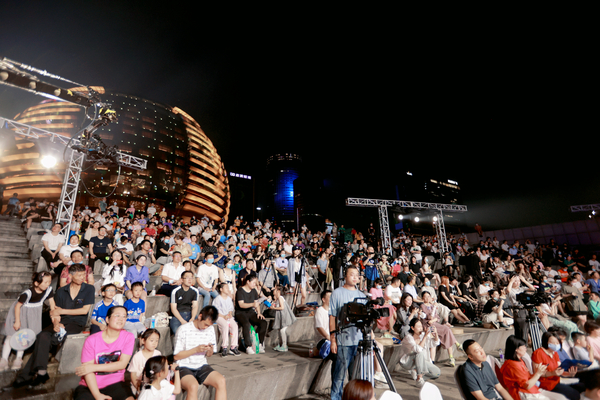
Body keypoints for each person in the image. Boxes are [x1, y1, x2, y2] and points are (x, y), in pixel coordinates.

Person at [9, 264, 95, 389]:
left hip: (76, 323)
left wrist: (62, 311)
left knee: (51, 339)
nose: (83, 277)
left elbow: (84, 310)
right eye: (79, 275)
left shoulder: (89, 289)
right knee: (42, 335)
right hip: (61, 321)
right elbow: (54, 312)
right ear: (71, 276)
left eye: (84, 275)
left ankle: (26, 376)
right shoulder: (61, 291)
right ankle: (41, 372)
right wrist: (56, 323)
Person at [72, 306, 135, 400]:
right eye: (117, 315)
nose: (121, 319)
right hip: (90, 386)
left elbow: (122, 364)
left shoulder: (128, 337)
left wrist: (93, 367)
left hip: (116, 383)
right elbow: (87, 371)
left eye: (124, 316)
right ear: (107, 319)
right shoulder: (91, 340)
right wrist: (97, 395)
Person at [0, 272, 53, 371]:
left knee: (25, 336)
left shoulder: (48, 290)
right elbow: (17, 307)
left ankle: (18, 358)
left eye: (49, 282)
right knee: (11, 335)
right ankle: (4, 359)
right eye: (45, 282)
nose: (48, 284)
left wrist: (55, 315)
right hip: (19, 314)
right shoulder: (27, 293)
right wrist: (17, 321)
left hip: (32, 316)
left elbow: (52, 304)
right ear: (36, 283)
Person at [173, 306, 227, 400]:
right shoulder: (183, 329)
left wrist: (209, 350)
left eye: (208, 326)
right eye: (205, 324)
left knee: (221, 381)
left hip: (201, 365)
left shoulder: (210, 329)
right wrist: (195, 350)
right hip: (183, 366)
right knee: (193, 385)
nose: (206, 327)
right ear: (200, 316)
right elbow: (176, 356)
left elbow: (209, 355)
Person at [499, 335, 564, 400]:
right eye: (523, 346)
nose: (526, 348)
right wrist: (538, 374)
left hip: (533, 389)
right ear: (516, 349)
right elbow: (527, 385)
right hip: (523, 393)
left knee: (561, 397)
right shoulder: (512, 365)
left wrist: (539, 372)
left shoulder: (519, 360)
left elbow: (528, 377)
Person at [532, 331, 584, 400]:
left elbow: (559, 371)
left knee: (582, 386)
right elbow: (538, 373)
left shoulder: (555, 353)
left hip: (557, 381)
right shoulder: (538, 353)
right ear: (546, 342)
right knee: (574, 394)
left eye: (557, 342)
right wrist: (552, 373)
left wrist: (569, 374)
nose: (556, 344)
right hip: (546, 384)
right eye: (553, 342)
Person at [398, 318, 441, 387]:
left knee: (437, 372)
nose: (420, 328)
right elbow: (418, 349)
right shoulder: (408, 337)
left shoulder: (422, 335)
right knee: (419, 352)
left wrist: (436, 334)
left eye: (421, 326)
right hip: (407, 362)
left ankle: (417, 372)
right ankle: (419, 379)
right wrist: (425, 336)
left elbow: (435, 343)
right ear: (412, 328)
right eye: (418, 326)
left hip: (420, 360)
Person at [235, 275, 268, 354]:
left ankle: (260, 343)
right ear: (248, 282)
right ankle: (248, 346)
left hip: (250, 312)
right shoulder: (240, 291)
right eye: (253, 283)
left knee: (263, 322)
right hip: (240, 312)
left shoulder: (254, 291)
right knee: (246, 324)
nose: (255, 284)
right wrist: (253, 304)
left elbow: (257, 303)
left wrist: (259, 313)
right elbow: (241, 305)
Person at [128, 329, 162, 395]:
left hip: (154, 385)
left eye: (157, 341)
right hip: (139, 386)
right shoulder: (137, 356)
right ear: (143, 341)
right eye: (151, 340)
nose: (154, 343)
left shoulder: (158, 354)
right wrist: (139, 389)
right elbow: (133, 375)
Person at [213, 283, 240, 357]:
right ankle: (224, 347)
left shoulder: (229, 298)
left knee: (234, 326)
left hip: (228, 316)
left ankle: (233, 346)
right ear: (221, 289)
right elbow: (216, 311)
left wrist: (229, 314)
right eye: (226, 288)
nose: (228, 289)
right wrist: (223, 316)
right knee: (225, 326)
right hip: (220, 317)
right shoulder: (217, 299)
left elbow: (230, 309)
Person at [269, 285, 297, 352]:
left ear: (278, 291)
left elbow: (282, 307)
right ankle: (280, 344)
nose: (273, 290)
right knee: (280, 330)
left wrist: (274, 308)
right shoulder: (278, 298)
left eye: (275, 289)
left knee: (282, 330)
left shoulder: (280, 298)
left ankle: (284, 346)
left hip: (284, 317)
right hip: (281, 317)